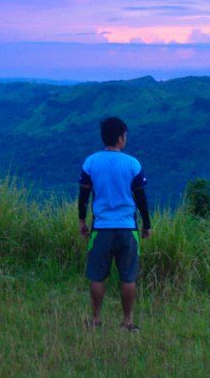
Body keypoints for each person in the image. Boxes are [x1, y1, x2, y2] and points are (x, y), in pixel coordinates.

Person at [78, 116, 151, 332]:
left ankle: (95, 320)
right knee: (128, 277)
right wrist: (147, 224)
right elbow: (141, 199)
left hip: (101, 228)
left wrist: (82, 220)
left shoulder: (90, 162)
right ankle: (127, 322)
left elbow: (83, 196)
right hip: (128, 228)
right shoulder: (132, 164)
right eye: (125, 136)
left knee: (97, 275)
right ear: (120, 138)